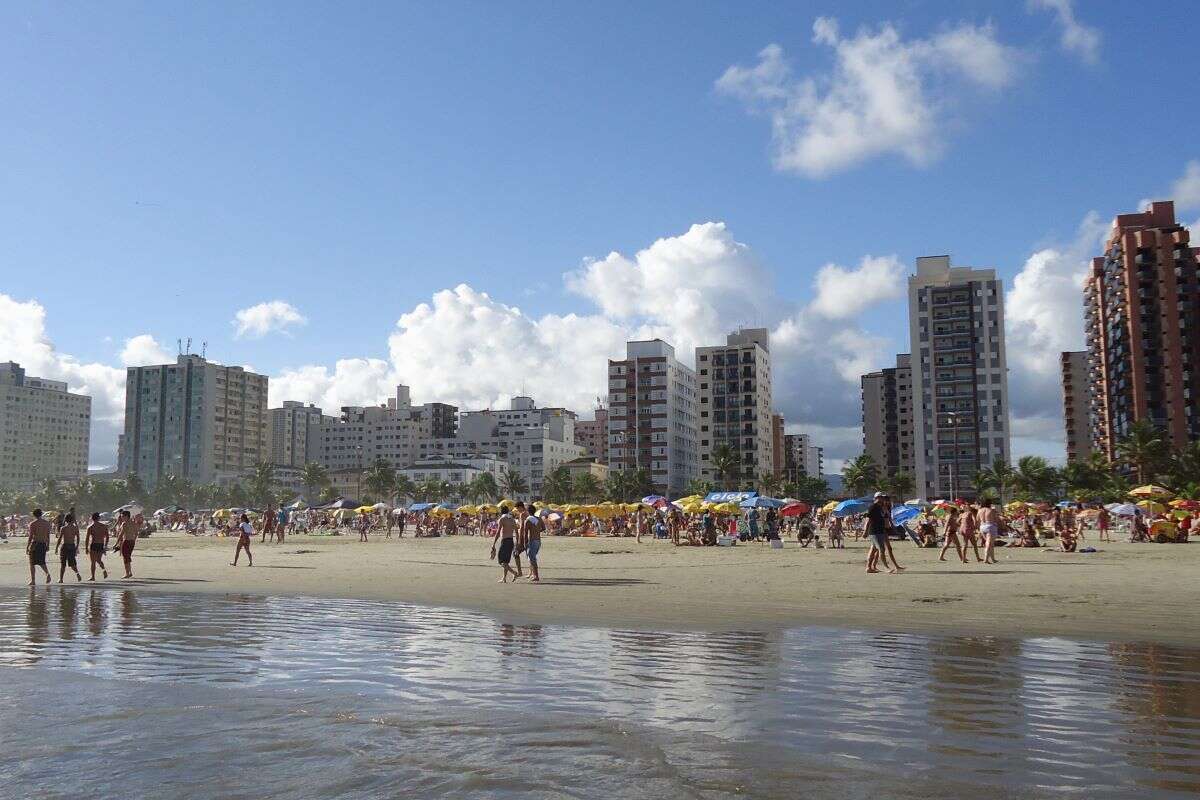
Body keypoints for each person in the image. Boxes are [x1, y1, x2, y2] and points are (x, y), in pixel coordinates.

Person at [863, 493, 896, 574]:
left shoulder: (880, 507)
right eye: (880, 497)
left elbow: (885, 518)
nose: (882, 499)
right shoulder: (873, 507)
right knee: (882, 549)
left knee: (874, 550)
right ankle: (886, 567)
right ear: (876, 498)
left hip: (880, 531)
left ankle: (869, 567)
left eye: (882, 497)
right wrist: (865, 531)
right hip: (874, 531)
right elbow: (868, 520)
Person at [490, 504, 519, 583]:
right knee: (506, 561)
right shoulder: (512, 519)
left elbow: (498, 532)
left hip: (505, 541)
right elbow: (516, 532)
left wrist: (493, 543)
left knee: (501, 561)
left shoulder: (502, 519)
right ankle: (504, 578)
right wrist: (517, 543)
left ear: (501, 511)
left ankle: (514, 573)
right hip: (511, 541)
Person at [26, 508, 52, 585]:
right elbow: (48, 535)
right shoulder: (47, 523)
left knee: (32, 563)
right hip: (43, 543)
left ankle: (33, 580)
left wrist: (27, 546)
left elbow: (31, 536)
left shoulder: (33, 524)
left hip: (35, 543)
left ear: (34, 515)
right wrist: (48, 545)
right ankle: (47, 573)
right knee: (42, 561)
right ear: (41, 514)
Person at [56, 513, 83, 583]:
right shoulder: (75, 528)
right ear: (72, 520)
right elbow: (78, 538)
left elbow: (60, 538)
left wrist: (56, 547)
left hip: (65, 546)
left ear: (66, 520)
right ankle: (77, 573)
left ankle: (61, 579)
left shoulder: (63, 528)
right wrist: (76, 546)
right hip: (72, 546)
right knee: (72, 563)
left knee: (63, 564)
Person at [114, 509, 138, 579]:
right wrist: (134, 539)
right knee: (128, 557)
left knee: (125, 558)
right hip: (132, 541)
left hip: (126, 541)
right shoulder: (133, 523)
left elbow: (121, 534)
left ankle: (127, 573)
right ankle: (129, 572)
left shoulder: (124, 524)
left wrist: (116, 543)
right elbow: (136, 533)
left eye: (122, 516)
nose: (121, 518)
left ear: (126, 516)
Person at [522, 503, 543, 583]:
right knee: (532, 558)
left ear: (528, 511)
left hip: (532, 541)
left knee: (532, 559)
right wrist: (537, 531)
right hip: (538, 541)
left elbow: (525, 533)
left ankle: (536, 576)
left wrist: (524, 543)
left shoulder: (528, 520)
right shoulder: (539, 519)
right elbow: (543, 528)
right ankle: (533, 574)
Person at [85, 512, 109, 580]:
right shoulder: (104, 526)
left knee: (93, 562)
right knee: (98, 560)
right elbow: (107, 537)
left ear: (92, 518)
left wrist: (86, 548)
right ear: (99, 518)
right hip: (100, 544)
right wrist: (105, 545)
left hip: (94, 544)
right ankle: (104, 570)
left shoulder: (90, 527)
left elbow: (87, 539)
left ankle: (93, 577)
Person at [977, 499, 999, 564]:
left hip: (982, 526)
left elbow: (977, 519)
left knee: (990, 544)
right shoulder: (991, 510)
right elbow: (996, 519)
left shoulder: (980, 510)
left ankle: (993, 559)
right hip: (990, 526)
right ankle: (986, 559)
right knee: (988, 544)